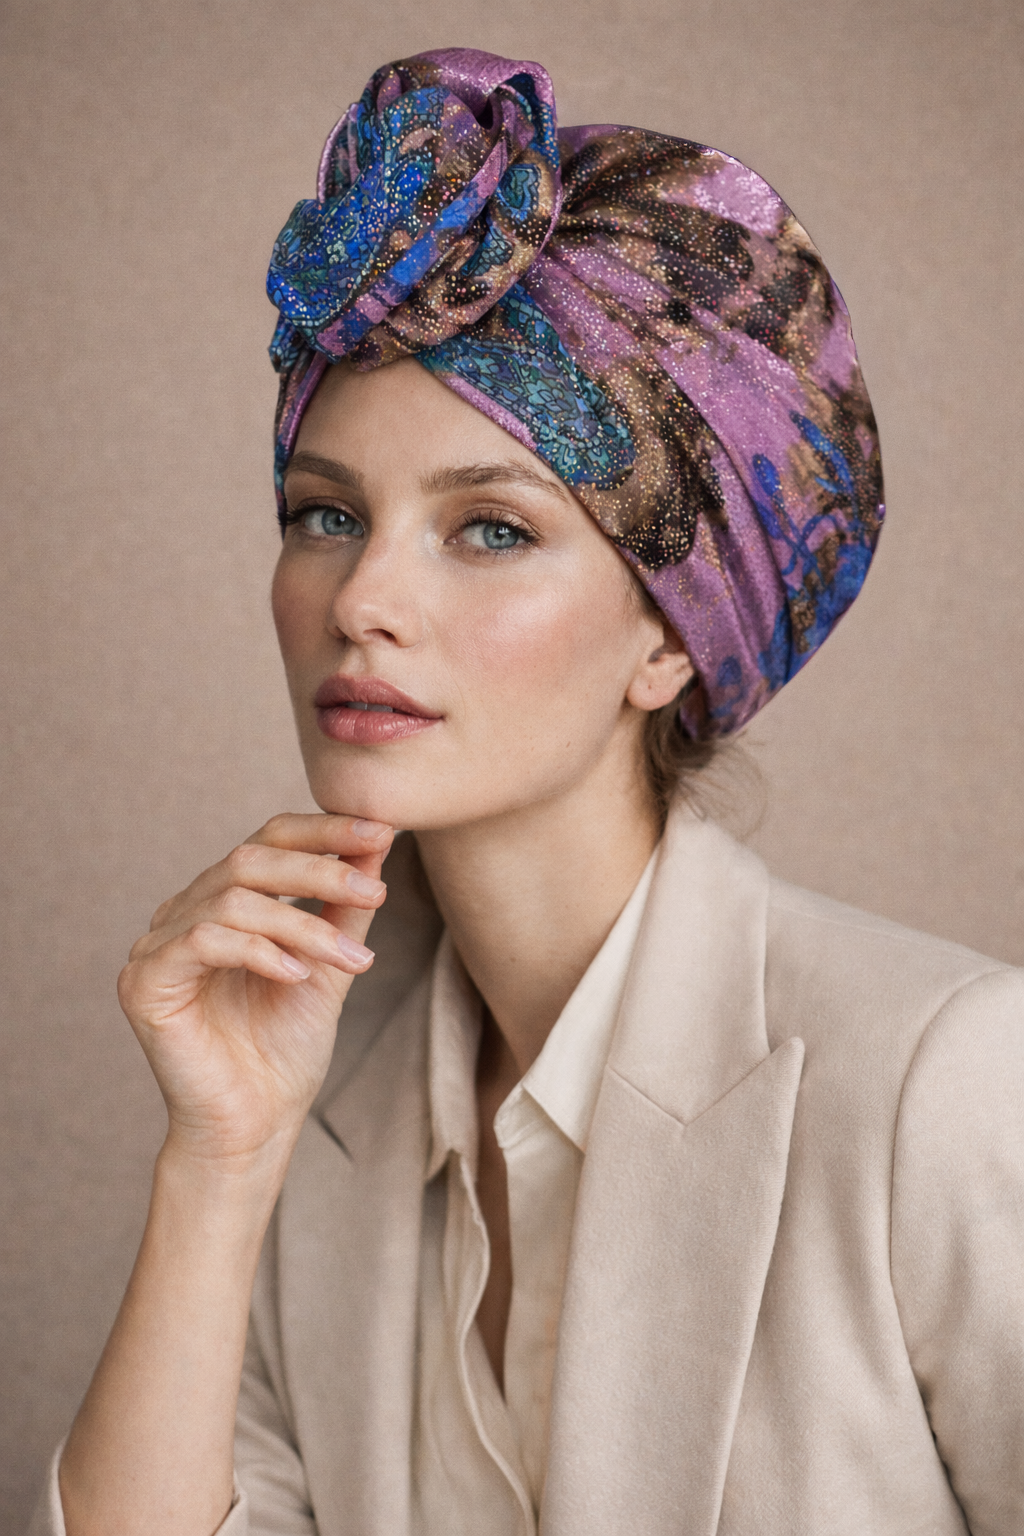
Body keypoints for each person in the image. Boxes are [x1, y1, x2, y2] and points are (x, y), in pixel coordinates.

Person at [32, 47, 1023, 1536]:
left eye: (490, 529)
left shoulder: (941, 1083)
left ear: (669, 638)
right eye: (325, 514)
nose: (362, 599)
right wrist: (218, 1165)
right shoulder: (306, 1087)